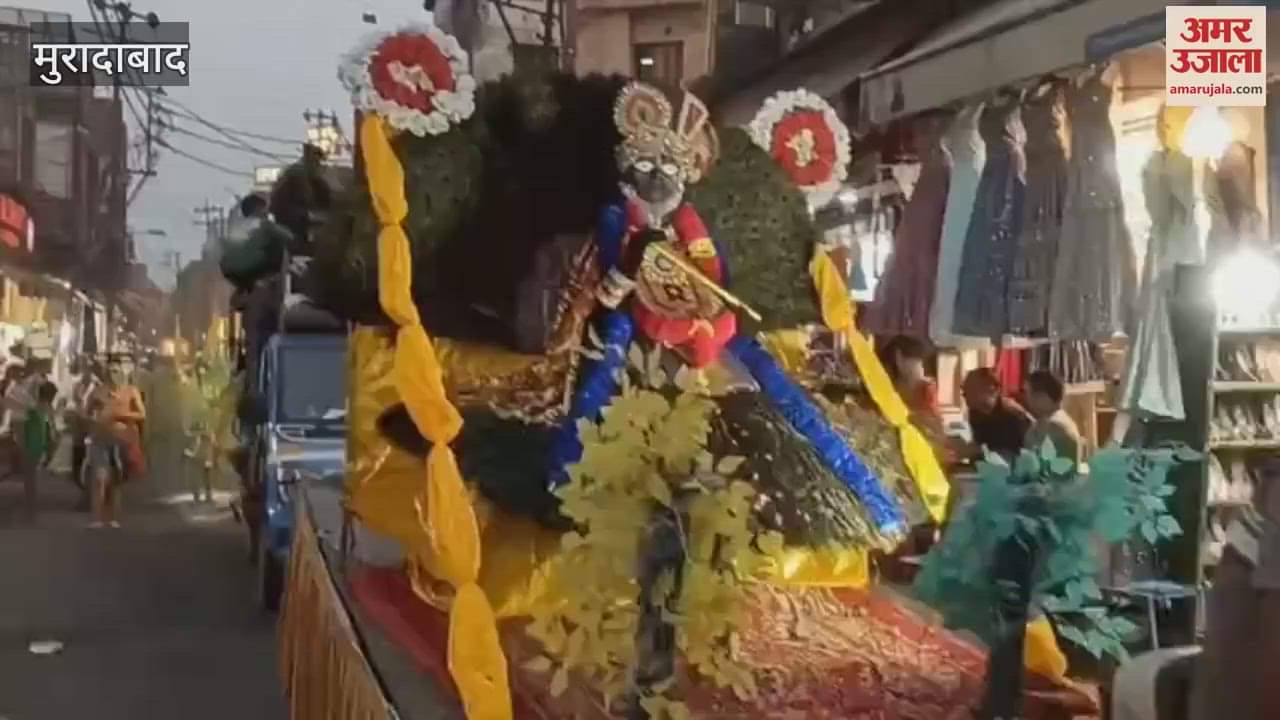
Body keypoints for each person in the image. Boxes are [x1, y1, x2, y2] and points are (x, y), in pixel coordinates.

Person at [88, 355, 147, 528]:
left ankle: (113, 517)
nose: (112, 375)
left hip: (121, 440)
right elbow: (86, 411)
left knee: (116, 481)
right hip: (100, 439)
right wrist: (93, 420)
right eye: (109, 371)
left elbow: (142, 414)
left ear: (122, 372)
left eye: (116, 371)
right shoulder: (98, 391)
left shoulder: (131, 391)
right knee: (100, 478)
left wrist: (120, 415)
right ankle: (97, 518)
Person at [958, 367, 1034, 463]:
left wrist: (979, 451)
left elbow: (1022, 452)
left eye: (969, 390)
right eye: (964, 391)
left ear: (990, 389)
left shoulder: (1012, 413)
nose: (965, 395)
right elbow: (980, 443)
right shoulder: (975, 412)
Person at [879, 335, 944, 440]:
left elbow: (935, 432)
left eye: (919, 363)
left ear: (899, 358)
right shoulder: (887, 388)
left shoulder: (927, 391)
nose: (920, 368)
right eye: (917, 362)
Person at [1023, 370, 1084, 466]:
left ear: (1043, 396)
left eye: (1028, 394)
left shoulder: (1053, 426)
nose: (1026, 399)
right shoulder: (1060, 420)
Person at [18, 381, 57, 520]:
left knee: (29, 480)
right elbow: (52, 431)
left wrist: (21, 444)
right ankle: (31, 510)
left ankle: (30, 510)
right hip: (39, 446)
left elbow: (22, 428)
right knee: (32, 480)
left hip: (30, 445)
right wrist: (51, 450)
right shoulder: (47, 410)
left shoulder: (32, 409)